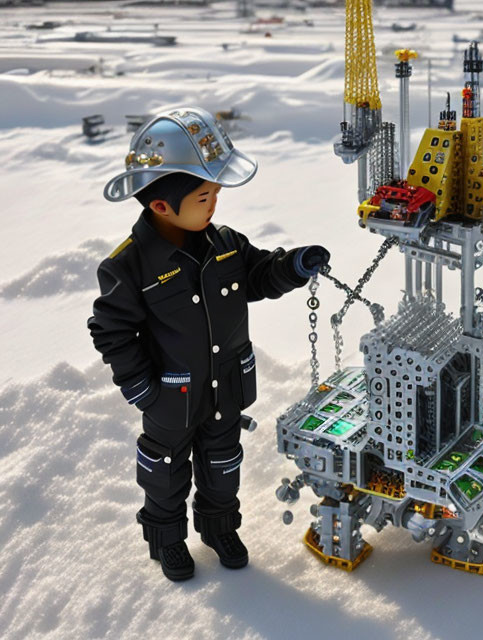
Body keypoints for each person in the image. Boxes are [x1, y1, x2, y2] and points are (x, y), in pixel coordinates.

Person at [88, 107, 330, 580]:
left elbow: (258, 274)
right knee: (165, 472)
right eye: (204, 195)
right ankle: (167, 538)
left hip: (225, 389)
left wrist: (294, 266)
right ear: (161, 205)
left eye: (216, 193)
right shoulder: (129, 266)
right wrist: (143, 391)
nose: (214, 204)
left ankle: (219, 528)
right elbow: (111, 332)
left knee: (223, 466)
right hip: (169, 398)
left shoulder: (225, 244)